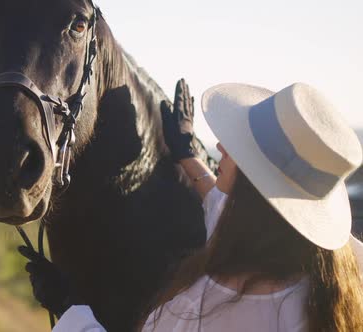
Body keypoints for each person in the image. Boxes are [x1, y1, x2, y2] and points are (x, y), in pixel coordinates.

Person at [19, 80, 363, 331]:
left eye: (239, 147)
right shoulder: (340, 273)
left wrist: (72, 313)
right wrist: (189, 157)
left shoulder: (198, 313)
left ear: (255, 187)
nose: (220, 146)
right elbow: (231, 210)